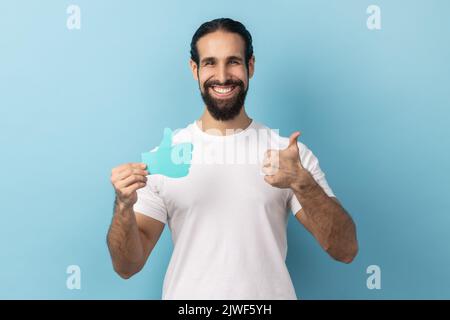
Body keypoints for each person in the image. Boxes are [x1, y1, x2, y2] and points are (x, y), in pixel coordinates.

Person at [107, 18, 358, 300]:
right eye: (210, 63)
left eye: (233, 62)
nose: (223, 75)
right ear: (195, 69)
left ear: (250, 66)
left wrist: (303, 183)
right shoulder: (166, 157)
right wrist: (123, 206)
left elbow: (345, 250)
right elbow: (127, 266)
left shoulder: (288, 156)